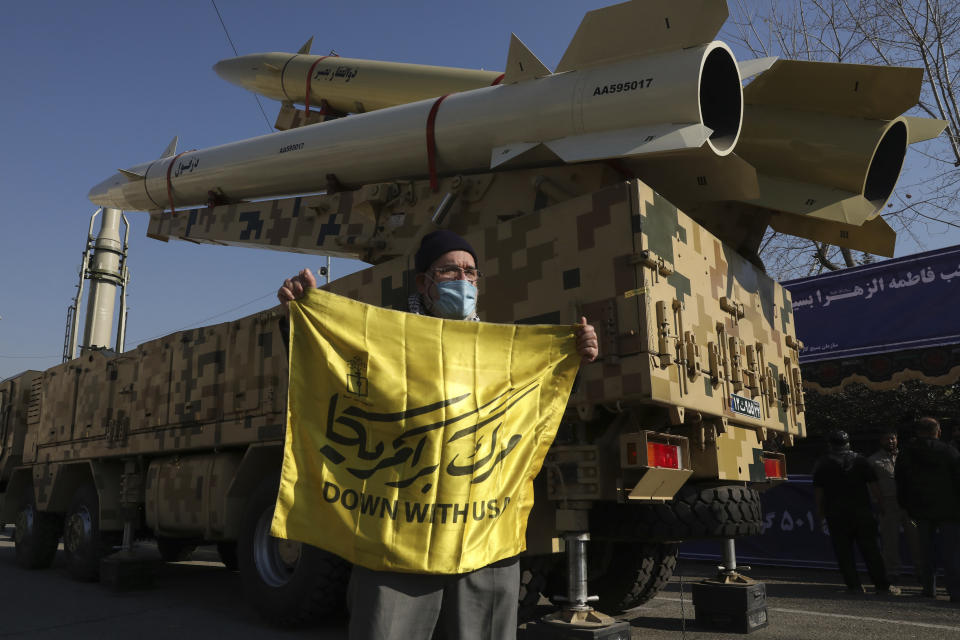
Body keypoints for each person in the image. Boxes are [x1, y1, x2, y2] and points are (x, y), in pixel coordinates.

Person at [277, 229, 599, 639]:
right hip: (398, 540)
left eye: (470, 272)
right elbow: (330, 373)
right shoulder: (385, 339)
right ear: (423, 282)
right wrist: (300, 321)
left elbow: (538, 410)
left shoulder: (503, 351)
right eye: (449, 271)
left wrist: (577, 357)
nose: (463, 280)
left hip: (484, 537)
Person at [813, 429, 900, 595]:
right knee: (871, 550)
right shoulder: (861, 460)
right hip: (862, 512)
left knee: (843, 551)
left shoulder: (823, 463)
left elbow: (819, 492)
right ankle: (882, 586)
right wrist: (881, 506)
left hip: (836, 514)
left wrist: (820, 512)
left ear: (830, 444)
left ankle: (854, 586)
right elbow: (874, 487)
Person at [895, 417, 960, 602]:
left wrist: (905, 504)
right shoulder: (949, 451)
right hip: (950, 510)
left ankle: (928, 588)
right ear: (938, 431)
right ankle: (955, 591)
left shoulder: (907, 452)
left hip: (919, 510)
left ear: (917, 432)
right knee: (952, 552)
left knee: (925, 550)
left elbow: (900, 480)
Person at [867, 431, 920, 584]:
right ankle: (892, 572)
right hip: (888, 503)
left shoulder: (907, 457)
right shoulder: (873, 460)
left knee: (917, 538)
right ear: (881, 440)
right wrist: (878, 502)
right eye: (887, 438)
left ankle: (922, 572)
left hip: (909, 504)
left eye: (893, 438)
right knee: (890, 540)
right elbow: (871, 485)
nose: (890, 441)